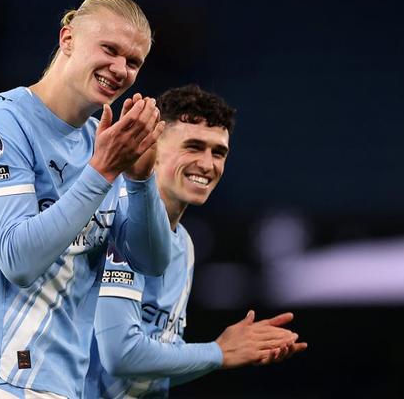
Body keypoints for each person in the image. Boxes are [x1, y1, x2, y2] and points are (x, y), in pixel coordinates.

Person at [0, 0, 173, 399]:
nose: (120, 69)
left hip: (66, 386)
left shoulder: (103, 142)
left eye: (133, 62)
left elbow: (152, 261)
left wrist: (140, 181)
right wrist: (102, 171)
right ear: (67, 39)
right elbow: (18, 259)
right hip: (1, 381)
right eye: (109, 49)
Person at [87, 84, 308, 398]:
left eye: (218, 152)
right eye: (193, 147)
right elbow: (120, 356)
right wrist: (219, 352)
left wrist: (233, 352)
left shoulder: (185, 244)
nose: (207, 164)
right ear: (153, 148)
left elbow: (146, 374)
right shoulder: (120, 219)